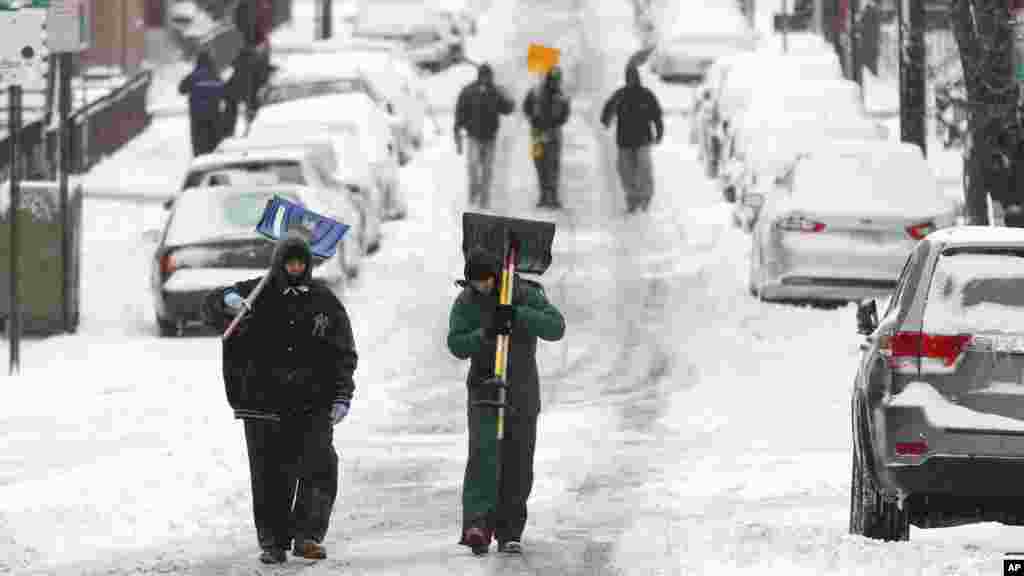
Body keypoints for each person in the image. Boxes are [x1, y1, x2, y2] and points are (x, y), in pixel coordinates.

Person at [202, 232, 358, 565]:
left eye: (301, 262)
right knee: (270, 475)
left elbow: (344, 352)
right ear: (279, 263)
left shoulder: (323, 301)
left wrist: (342, 394)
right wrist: (227, 302)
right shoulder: (256, 292)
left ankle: (307, 535)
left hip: (312, 403)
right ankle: (273, 541)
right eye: (289, 262)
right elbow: (212, 305)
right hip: (262, 403)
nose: (296, 267)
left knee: (320, 466)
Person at [446, 246, 566, 555]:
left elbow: (556, 327)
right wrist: (485, 333)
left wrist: (517, 315)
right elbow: (456, 343)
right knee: (484, 456)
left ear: (497, 277)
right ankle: (478, 526)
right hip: (485, 388)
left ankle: (510, 529)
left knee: (518, 460)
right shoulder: (466, 302)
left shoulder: (523, 293)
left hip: (521, 389)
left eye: (486, 281)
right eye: (475, 282)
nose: (482, 287)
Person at [600, 63, 664, 214]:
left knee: (643, 170)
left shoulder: (646, 95)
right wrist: (607, 119)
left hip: (642, 140)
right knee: (626, 171)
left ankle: (645, 196)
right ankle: (633, 197)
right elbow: (607, 113)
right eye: (629, 78)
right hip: (625, 141)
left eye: (633, 77)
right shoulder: (620, 95)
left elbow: (656, 115)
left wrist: (659, 132)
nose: (631, 80)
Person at [454, 63, 515, 209]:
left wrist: (507, 96)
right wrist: (457, 133)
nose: (486, 79)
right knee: (474, 167)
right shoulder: (468, 91)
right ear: (480, 76)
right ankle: (474, 195)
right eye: (484, 76)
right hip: (473, 136)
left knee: (486, 170)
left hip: (489, 137)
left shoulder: (495, 92)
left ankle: (484, 199)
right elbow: (460, 112)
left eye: (488, 77)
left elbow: (507, 109)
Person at [522, 66, 571, 209]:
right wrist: (533, 120)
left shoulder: (561, 95)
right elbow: (526, 107)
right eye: (554, 80)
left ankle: (553, 196)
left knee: (553, 165)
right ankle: (544, 196)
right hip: (537, 133)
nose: (556, 82)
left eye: (558, 80)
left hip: (552, 132)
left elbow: (566, 113)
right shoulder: (536, 92)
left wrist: (557, 122)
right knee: (540, 164)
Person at [178, 50, 226, 156]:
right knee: (214, 143)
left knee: (199, 144)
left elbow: (181, 89)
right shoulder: (216, 76)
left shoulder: (193, 77)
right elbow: (224, 93)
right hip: (214, 116)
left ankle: (200, 163)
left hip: (197, 117)